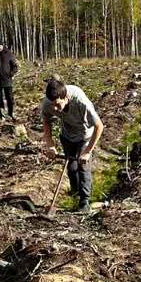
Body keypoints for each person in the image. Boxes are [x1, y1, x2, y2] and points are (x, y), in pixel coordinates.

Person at [41, 78, 104, 213]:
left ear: (66, 97)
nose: (55, 109)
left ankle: (84, 201)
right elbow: (46, 122)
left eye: (58, 105)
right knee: (71, 167)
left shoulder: (81, 102)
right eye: (52, 105)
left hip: (84, 136)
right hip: (67, 135)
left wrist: (87, 151)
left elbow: (99, 126)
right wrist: (50, 145)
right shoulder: (48, 103)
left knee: (83, 167)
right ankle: (75, 195)